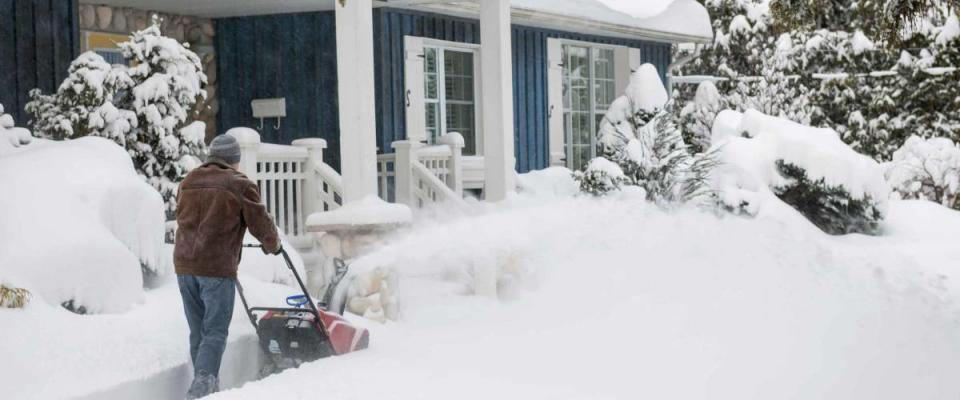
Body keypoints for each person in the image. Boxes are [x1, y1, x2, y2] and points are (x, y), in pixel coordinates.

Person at [174, 134, 281, 399]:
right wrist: (273, 244)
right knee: (216, 331)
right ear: (234, 159)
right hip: (215, 266)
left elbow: (183, 218)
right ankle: (202, 386)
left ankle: (209, 387)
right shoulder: (239, 184)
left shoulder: (189, 181)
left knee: (199, 330)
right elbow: (260, 223)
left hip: (185, 266)